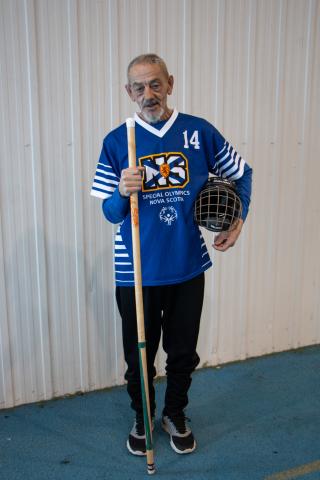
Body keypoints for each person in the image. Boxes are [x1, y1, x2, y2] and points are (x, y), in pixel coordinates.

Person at [91, 54, 252, 456]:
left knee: (183, 352)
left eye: (156, 84)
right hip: (136, 271)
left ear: (170, 83)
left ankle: (175, 413)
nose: (149, 94)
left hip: (186, 265)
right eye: (139, 87)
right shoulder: (116, 141)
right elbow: (109, 213)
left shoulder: (198, 132)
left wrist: (238, 219)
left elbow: (241, 172)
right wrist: (121, 192)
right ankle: (143, 416)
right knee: (139, 356)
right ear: (129, 92)